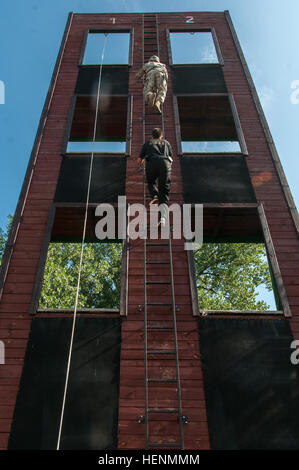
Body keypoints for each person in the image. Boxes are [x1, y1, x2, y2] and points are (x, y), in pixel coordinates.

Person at [137, 128, 173, 226]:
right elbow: (171, 158)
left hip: (152, 164)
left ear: (152, 136)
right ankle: (163, 219)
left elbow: (139, 160)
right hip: (165, 165)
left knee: (151, 182)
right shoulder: (166, 143)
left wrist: (143, 160)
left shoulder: (148, 143)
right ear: (161, 136)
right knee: (164, 193)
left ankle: (155, 195)